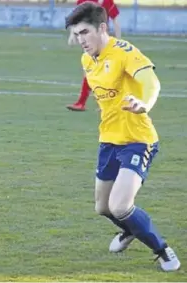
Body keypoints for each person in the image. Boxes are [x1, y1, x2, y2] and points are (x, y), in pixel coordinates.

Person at [65, 2, 181, 271]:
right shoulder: (87, 59)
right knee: (103, 208)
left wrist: (144, 103)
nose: (80, 40)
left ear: (102, 28)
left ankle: (163, 250)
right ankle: (130, 230)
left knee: (120, 205)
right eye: (77, 34)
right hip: (108, 141)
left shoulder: (124, 51)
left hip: (138, 140)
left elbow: (151, 82)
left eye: (85, 32)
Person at [66, 0, 121, 112]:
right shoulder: (83, 1)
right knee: (95, 70)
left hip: (102, 40)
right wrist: (73, 34)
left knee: (96, 70)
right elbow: (76, 18)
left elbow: (115, 19)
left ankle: (84, 103)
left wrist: (119, 40)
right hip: (90, 39)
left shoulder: (108, 2)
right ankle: (103, 102)